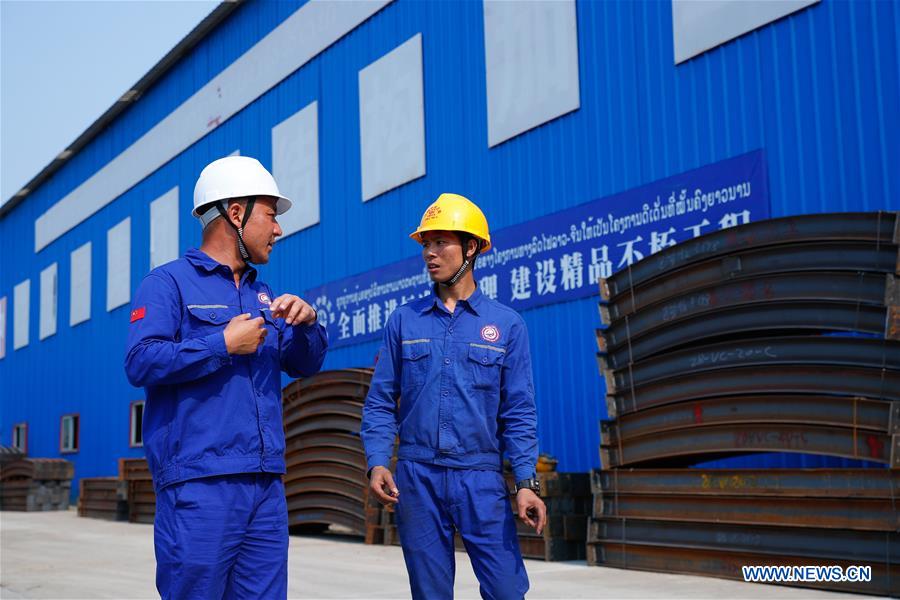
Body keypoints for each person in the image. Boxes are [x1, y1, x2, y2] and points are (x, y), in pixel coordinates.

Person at [124, 156, 328, 599]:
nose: (278, 230)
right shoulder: (168, 284)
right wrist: (221, 344)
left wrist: (308, 325)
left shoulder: (263, 294)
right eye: (271, 216)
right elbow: (140, 361)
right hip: (200, 485)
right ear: (236, 213)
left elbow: (305, 365)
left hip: (264, 484)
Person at [361, 193, 546, 600]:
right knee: (430, 594)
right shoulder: (404, 321)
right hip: (417, 476)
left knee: (506, 590)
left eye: (440, 242)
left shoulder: (506, 325)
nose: (429, 252)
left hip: (480, 478)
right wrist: (377, 461)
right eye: (426, 243)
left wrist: (526, 483)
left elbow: (518, 411)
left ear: (472, 247)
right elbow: (379, 402)